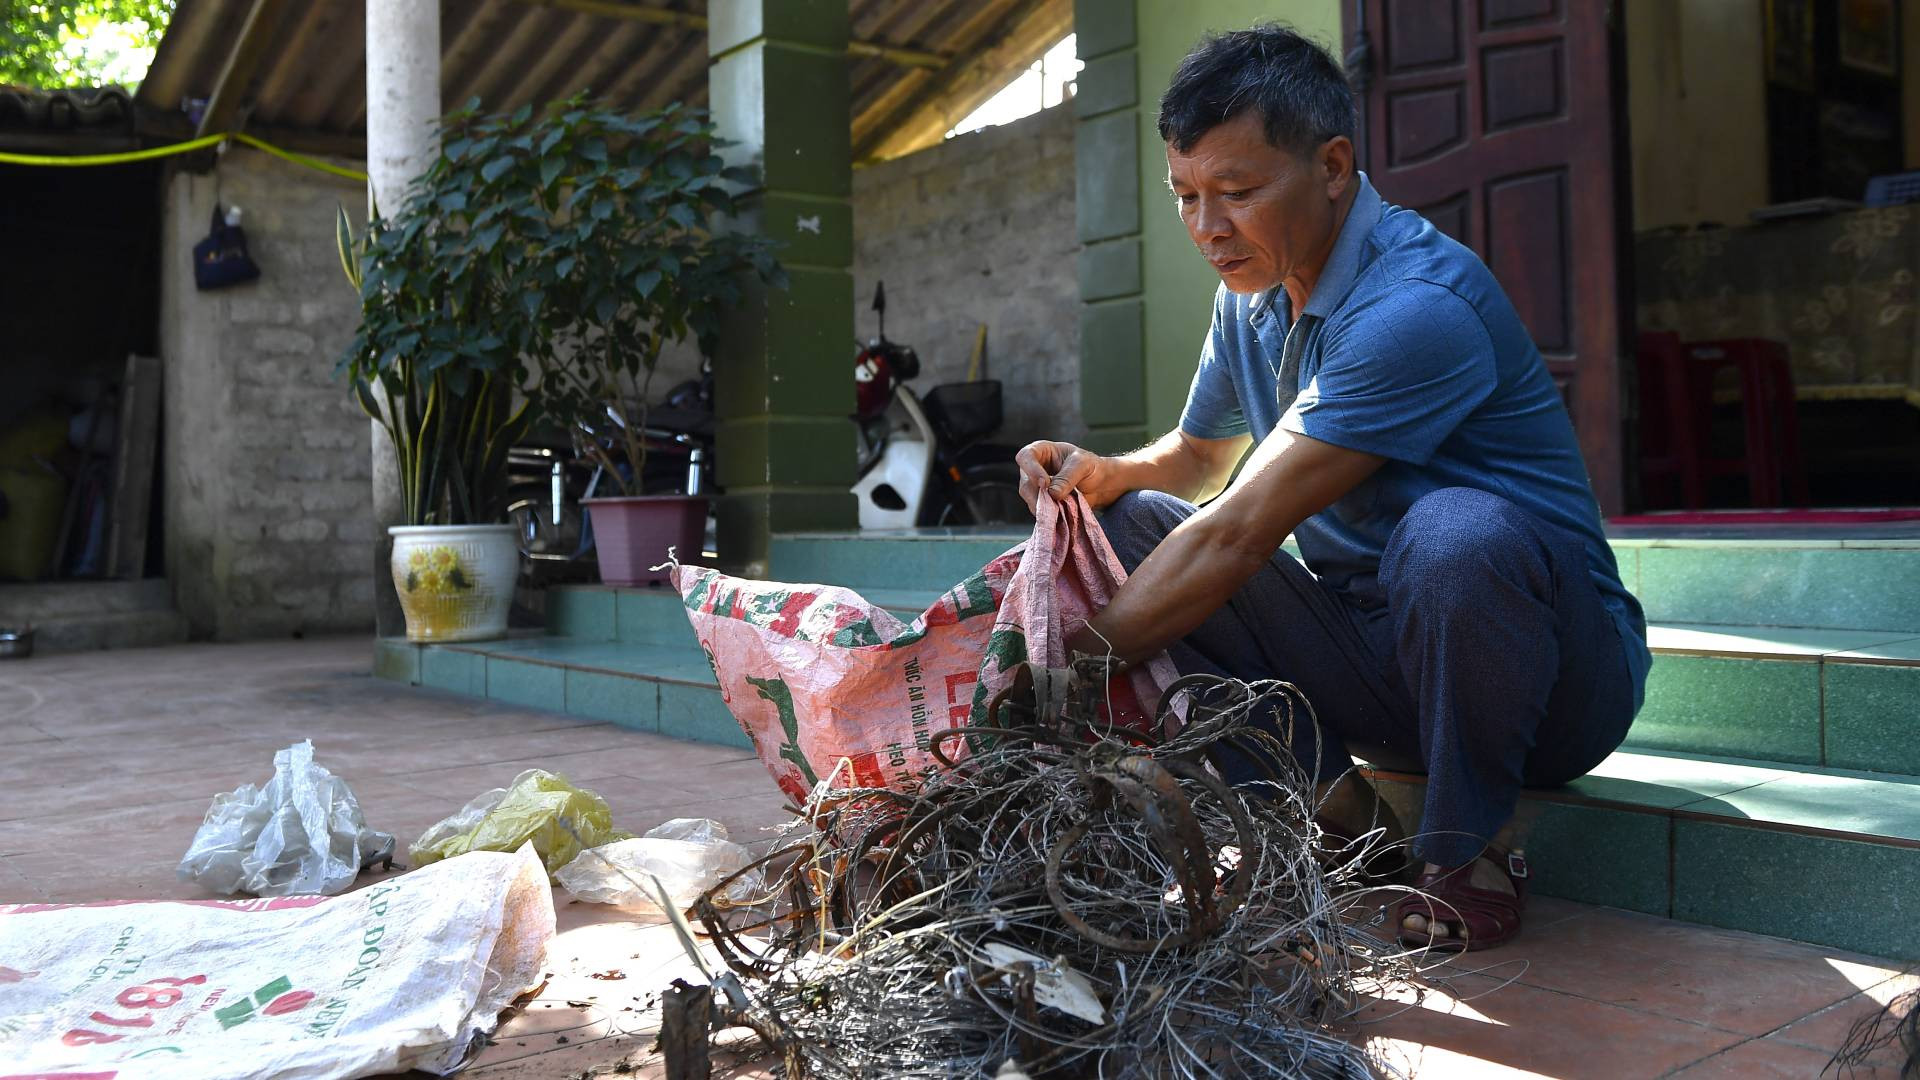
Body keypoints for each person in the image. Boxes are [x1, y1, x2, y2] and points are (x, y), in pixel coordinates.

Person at [1015, 24, 1649, 952]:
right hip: (1379, 662)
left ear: (1335, 166)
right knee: (1127, 522)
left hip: (1546, 684)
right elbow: (1197, 461)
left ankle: (1466, 849)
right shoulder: (1250, 293)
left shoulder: (1417, 306)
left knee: (1454, 535)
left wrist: (1050, 676)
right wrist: (1103, 475)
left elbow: (1239, 531)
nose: (1206, 228)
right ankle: (1335, 811)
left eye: (1236, 193)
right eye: (1186, 195)